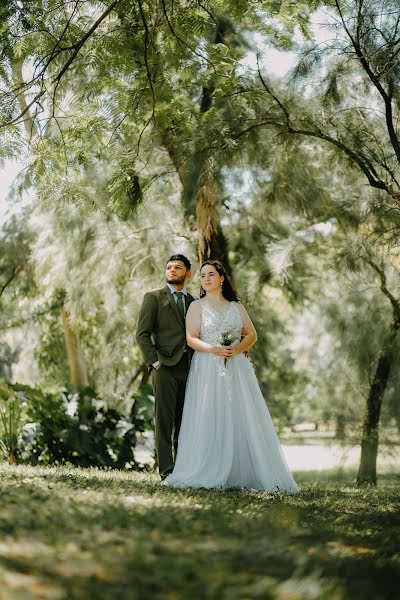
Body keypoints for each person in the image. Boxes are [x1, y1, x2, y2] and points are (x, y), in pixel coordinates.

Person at [162, 259, 299, 493]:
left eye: (211, 274)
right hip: (207, 367)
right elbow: (191, 338)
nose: (206, 279)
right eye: (203, 275)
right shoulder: (197, 306)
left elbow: (251, 334)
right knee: (211, 412)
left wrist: (236, 349)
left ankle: (243, 470)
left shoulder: (237, 306)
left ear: (222, 278)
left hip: (237, 366)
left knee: (239, 413)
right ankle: (209, 467)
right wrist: (213, 349)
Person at [136, 254, 195, 480]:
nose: (172, 270)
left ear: (188, 274)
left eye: (178, 268)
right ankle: (167, 472)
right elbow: (142, 334)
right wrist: (155, 362)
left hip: (189, 369)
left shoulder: (193, 302)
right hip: (164, 368)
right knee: (164, 422)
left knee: (185, 422)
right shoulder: (153, 298)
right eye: (169, 267)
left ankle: (183, 470)